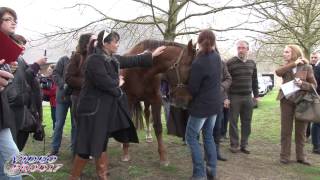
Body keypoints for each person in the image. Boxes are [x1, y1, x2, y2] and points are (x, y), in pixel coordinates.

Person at [69, 29, 165, 179]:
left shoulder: (110, 57)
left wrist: (152, 55)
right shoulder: (94, 60)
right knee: (85, 148)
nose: (118, 44)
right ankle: (74, 177)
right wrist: (118, 82)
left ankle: (103, 176)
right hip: (91, 112)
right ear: (105, 43)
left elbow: (132, 60)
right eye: (115, 41)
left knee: (101, 145)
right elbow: (105, 83)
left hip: (102, 111)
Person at [185, 29, 221, 180]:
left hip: (201, 107)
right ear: (213, 42)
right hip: (214, 105)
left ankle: (199, 174)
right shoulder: (217, 57)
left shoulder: (198, 62)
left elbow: (193, 89)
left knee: (191, 137)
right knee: (208, 136)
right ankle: (211, 170)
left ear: (199, 42)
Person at [276, 45, 317, 165]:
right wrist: (293, 64)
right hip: (286, 101)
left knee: (301, 131)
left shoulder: (307, 66)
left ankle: (301, 157)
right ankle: (285, 156)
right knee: (286, 130)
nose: (284, 54)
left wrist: (302, 84)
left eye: (287, 52)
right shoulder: (286, 67)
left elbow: (314, 85)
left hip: (302, 102)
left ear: (294, 53)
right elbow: (278, 72)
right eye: (284, 52)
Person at [7, 34, 46, 151]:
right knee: (14, 148)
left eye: (24, 44)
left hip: (26, 108)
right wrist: (37, 65)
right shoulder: (12, 60)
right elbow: (26, 77)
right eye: (19, 43)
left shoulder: (21, 60)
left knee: (17, 147)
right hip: (16, 109)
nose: (22, 46)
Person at [65, 33, 96, 153]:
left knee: (92, 127)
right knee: (80, 128)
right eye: (93, 40)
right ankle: (78, 155)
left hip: (93, 98)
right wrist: (87, 83)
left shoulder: (97, 56)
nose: (96, 42)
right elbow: (68, 78)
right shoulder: (77, 57)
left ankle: (89, 152)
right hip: (79, 98)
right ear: (86, 42)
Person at [0, 6, 22, 180]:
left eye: (15, 19)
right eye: (8, 19)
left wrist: (9, 71)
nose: (13, 22)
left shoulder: (8, 49)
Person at [227, 40, 259, 154]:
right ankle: (234, 144)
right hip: (234, 96)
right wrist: (226, 97)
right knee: (233, 121)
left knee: (247, 121)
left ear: (247, 49)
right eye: (239, 48)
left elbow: (255, 80)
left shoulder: (252, 63)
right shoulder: (230, 63)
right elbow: (226, 80)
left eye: (243, 48)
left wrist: (256, 95)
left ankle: (244, 144)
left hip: (247, 97)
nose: (240, 50)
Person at [48, 54, 76, 156]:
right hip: (62, 97)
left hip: (75, 98)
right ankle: (54, 149)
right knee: (58, 124)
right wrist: (63, 84)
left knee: (75, 125)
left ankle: (75, 149)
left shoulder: (82, 59)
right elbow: (55, 74)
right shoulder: (63, 59)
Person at [213, 60, 231, 161]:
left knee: (217, 127)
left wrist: (221, 88)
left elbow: (228, 78)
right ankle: (208, 154)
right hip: (203, 101)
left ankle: (216, 152)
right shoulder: (198, 61)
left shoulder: (221, 63)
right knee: (206, 129)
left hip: (219, 100)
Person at [41, 64, 57, 133]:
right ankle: (55, 131)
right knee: (53, 117)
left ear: (54, 70)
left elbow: (53, 91)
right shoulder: (50, 78)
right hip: (52, 102)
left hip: (56, 102)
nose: (48, 71)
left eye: (50, 70)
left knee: (56, 118)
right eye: (48, 70)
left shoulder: (56, 78)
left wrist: (42, 90)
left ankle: (56, 132)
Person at [310, 51, 320, 154]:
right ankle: (316, 146)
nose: (313, 59)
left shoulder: (317, 67)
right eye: (312, 57)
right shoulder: (315, 68)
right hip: (316, 97)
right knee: (317, 122)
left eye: (315, 57)